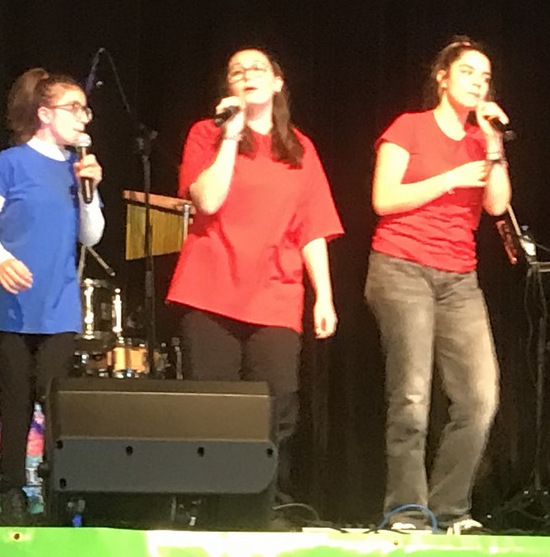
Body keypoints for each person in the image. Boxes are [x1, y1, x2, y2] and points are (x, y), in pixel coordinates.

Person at [166, 47, 343, 525]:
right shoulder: (206, 134)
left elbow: (313, 228)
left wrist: (324, 296)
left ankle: (263, 505)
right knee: (215, 408)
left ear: (278, 83)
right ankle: (212, 508)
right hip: (211, 287)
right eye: (237, 71)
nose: (247, 75)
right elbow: (207, 200)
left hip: (276, 293)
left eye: (257, 68)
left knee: (277, 404)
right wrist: (230, 135)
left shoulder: (301, 149)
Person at [364, 36, 510, 534]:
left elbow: (496, 205)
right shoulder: (409, 126)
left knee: (480, 398)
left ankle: (451, 509)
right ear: (442, 78)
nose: (478, 83)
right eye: (468, 72)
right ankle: (407, 510)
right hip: (402, 267)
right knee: (411, 398)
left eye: (485, 77)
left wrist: (493, 145)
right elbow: (384, 199)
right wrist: (451, 178)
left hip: (459, 277)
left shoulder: (481, 141)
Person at [0, 67, 103, 525]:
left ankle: (56, 489)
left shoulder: (77, 169)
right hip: (13, 306)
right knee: (15, 401)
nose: (83, 117)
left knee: (55, 400)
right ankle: (11, 491)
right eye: (74, 108)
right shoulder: (13, 162)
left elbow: (91, 236)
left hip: (59, 306)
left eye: (85, 110)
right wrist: (1, 260)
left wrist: (90, 192)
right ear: (45, 114)